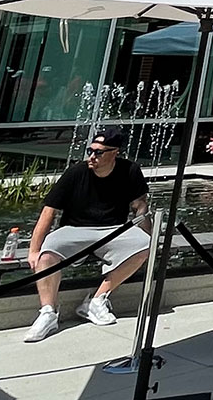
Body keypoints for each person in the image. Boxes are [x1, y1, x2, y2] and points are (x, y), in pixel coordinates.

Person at [23, 125, 151, 343]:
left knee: (145, 246)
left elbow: (140, 206)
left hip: (112, 230)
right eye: (90, 151)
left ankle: (97, 300)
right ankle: (48, 313)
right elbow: (49, 211)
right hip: (74, 230)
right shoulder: (76, 172)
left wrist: (145, 235)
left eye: (98, 152)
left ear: (114, 153)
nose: (92, 156)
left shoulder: (130, 170)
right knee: (46, 257)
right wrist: (34, 250)